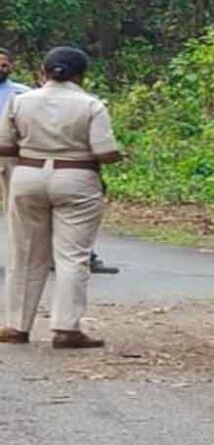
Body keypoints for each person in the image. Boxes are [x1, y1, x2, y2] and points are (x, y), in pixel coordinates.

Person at [0, 47, 123, 348]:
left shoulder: (21, 100)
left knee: (25, 253)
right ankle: (66, 328)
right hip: (77, 178)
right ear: (82, 75)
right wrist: (119, 155)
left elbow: (4, 145)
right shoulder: (91, 104)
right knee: (72, 256)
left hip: (27, 176)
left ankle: (16, 326)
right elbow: (105, 153)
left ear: (42, 71)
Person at [0, 48, 31, 206]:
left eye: (4, 65)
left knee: (12, 197)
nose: (0, 69)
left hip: (9, 149)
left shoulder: (23, 93)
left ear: (11, 67)